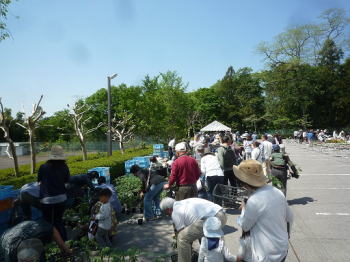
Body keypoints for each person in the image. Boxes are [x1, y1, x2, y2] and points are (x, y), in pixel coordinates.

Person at [233, 160, 293, 262]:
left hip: (265, 254)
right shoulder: (277, 192)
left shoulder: (254, 200)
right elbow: (290, 217)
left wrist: (244, 208)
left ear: (245, 183)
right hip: (282, 248)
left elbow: (245, 226)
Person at [160, 197, 227, 262]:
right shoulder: (183, 203)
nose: (169, 215)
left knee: (181, 238)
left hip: (212, 219)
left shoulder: (175, 212)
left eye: (167, 213)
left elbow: (181, 233)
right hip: (221, 215)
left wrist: (184, 249)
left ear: (168, 209)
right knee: (201, 234)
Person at [38, 145, 70, 241]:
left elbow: (39, 182)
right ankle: (64, 242)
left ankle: (48, 243)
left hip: (46, 199)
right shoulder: (64, 167)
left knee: (47, 222)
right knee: (58, 221)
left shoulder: (43, 167)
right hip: (61, 198)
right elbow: (67, 181)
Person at [0, 219, 72, 262]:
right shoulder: (38, 225)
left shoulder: (38, 228)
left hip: (7, 243)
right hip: (19, 246)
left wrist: (63, 246)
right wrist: (64, 247)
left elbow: (52, 229)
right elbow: (52, 229)